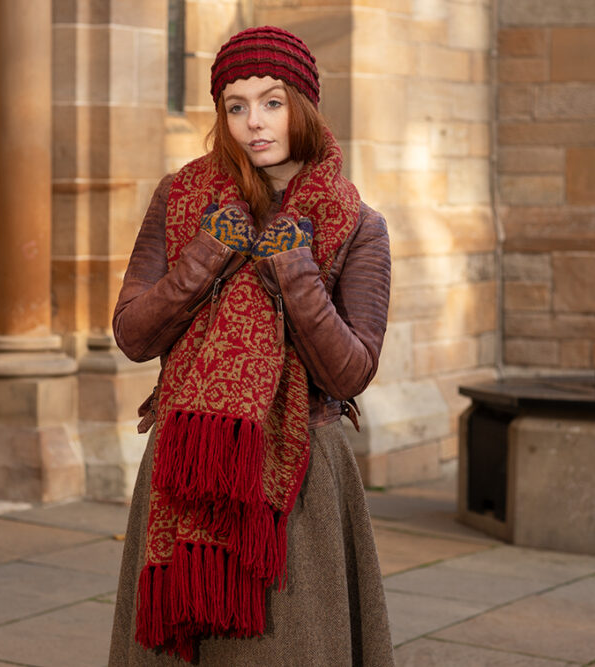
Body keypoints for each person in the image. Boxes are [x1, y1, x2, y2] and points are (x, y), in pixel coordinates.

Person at [107, 25, 394, 666]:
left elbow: (350, 373)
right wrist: (206, 255)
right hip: (186, 465)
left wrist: (294, 271)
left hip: (298, 476)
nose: (253, 123)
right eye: (235, 106)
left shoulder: (356, 223)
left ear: (304, 106)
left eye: (272, 102)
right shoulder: (182, 201)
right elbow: (132, 334)